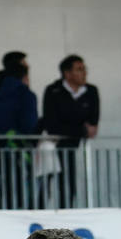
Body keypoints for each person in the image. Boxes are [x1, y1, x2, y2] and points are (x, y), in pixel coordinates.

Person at [41, 54, 100, 208]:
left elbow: (93, 127)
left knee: (69, 181)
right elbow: (52, 125)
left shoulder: (91, 91)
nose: (84, 72)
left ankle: (67, 212)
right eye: (79, 69)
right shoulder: (53, 91)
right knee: (46, 181)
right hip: (52, 145)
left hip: (75, 145)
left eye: (84, 69)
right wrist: (80, 129)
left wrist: (70, 128)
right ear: (67, 74)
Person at [0, 59, 40, 209]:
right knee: (21, 190)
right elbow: (30, 124)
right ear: (24, 76)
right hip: (21, 149)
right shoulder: (25, 94)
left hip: (1, 148)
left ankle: (3, 220)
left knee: (6, 187)